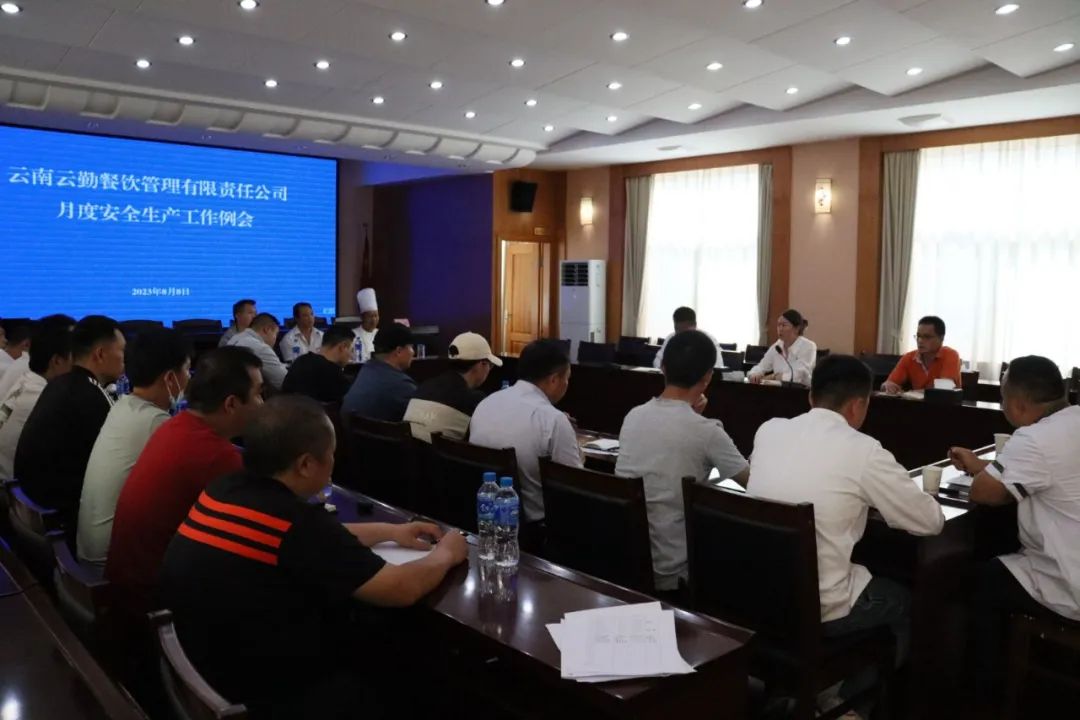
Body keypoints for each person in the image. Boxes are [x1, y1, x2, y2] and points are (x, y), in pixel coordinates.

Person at [159, 395, 468, 719]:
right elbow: (399, 588)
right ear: (306, 464)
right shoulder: (294, 522)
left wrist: (390, 531)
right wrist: (446, 553)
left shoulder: (224, 490)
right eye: (331, 454)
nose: (334, 462)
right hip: (268, 696)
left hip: (206, 671)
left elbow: (308, 541)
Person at [748, 355, 944, 709]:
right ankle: (846, 705)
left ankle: (815, 692)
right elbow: (929, 522)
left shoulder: (769, 430)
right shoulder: (863, 450)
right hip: (817, 608)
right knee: (906, 603)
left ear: (811, 396)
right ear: (858, 405)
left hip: (757, 595)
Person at [946, 356, 1080, 704]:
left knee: (981, 581)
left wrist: (984, 473)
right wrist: (986, 466)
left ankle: (984, 692)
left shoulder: (1035, 438)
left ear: (1018, 404)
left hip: (1070, 579)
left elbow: (984, 493)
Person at [106, 347, 264, 620]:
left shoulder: (176, 425)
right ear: (231, 404)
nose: (263, 404)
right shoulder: (216, 456)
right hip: (156, 609)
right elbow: (259, 537)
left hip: (127, 592)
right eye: (259, 394)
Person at [616, 330, 749, 595]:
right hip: (675, 573)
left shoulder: (633, 416)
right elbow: (752, 482)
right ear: (708, 377)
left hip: (626, 561)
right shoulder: (707, 431)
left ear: (663, 368)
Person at [76, 328, 192, 564]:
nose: (189, 379)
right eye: (187, 370)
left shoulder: (123, 406)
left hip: (87, 555)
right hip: (112, 565)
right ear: (170, 378)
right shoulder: (155, 423)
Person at [14, 316, 125, 528]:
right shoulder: (88, 396)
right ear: (100, 354)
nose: (125, 358)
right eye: (121, 350)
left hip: (38, 510)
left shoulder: (61, 384)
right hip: (66, 519)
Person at [470, 338, 582, 522]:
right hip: (538, 526)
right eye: (567, 378)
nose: (567, 384)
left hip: (484, 516)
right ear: (554, 380)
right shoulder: (553, 420)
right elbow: (574, 486)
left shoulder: (486, 404)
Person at [0, 319, 74, 480]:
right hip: (13, 488)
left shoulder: (27, 380)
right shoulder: (43, 398)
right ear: (57, 360)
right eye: (74, 358)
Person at [404, 332, 501, 443]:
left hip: (404, 452)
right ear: (481, 364)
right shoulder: (474, 400)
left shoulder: (424, 386)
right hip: (437, 454)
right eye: (490, 365)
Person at [341, 323, 417, 422]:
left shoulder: (366, 370)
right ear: (398, 351)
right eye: (411, 347)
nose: (413, 352)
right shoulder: (402, 385)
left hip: (352, 430)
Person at [881, 315, 962, 394]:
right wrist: (887, 385)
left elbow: (943, 391)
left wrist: (910, 393)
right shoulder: (909, 357)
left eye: (927, 337)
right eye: (918, 336)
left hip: (944, 403)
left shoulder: (951, 355)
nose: (920, 341)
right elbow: (888, 383)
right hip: (917, 402)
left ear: (941, 338)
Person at [281, 325, 354, 403]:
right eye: (351, 350)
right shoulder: (334, 375)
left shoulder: (300, 361)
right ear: (343, 347)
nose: (352, 356)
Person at [748, 308, 817, 385]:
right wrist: (754, 374)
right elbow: (761, 367)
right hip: (779, 390)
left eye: (784, 325)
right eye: (778, 325)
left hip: (801, 390)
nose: (780, 329)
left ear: (796, 328)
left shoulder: (809, 346)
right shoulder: (777, 346)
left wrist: (774, 376)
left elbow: (798, 376)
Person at [227, 312, 287, 390]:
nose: (275, 338)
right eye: (276, 334)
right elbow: (284, 381)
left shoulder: (235, 338)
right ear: (267, 329)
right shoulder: (261, 348)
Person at [652, 307, 723, 370]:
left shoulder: (708, 340)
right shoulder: (671, 338)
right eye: (679, 331)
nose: (684, 336)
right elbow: (657, 362)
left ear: (695, 325)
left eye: (687, 332)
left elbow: (717, 366)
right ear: (674, 326)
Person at [352, 288, 379, 363]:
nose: (374, 320)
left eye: (376, 316)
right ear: (362, 317)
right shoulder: (353, 334)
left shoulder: (381, 334)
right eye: (370, 316)